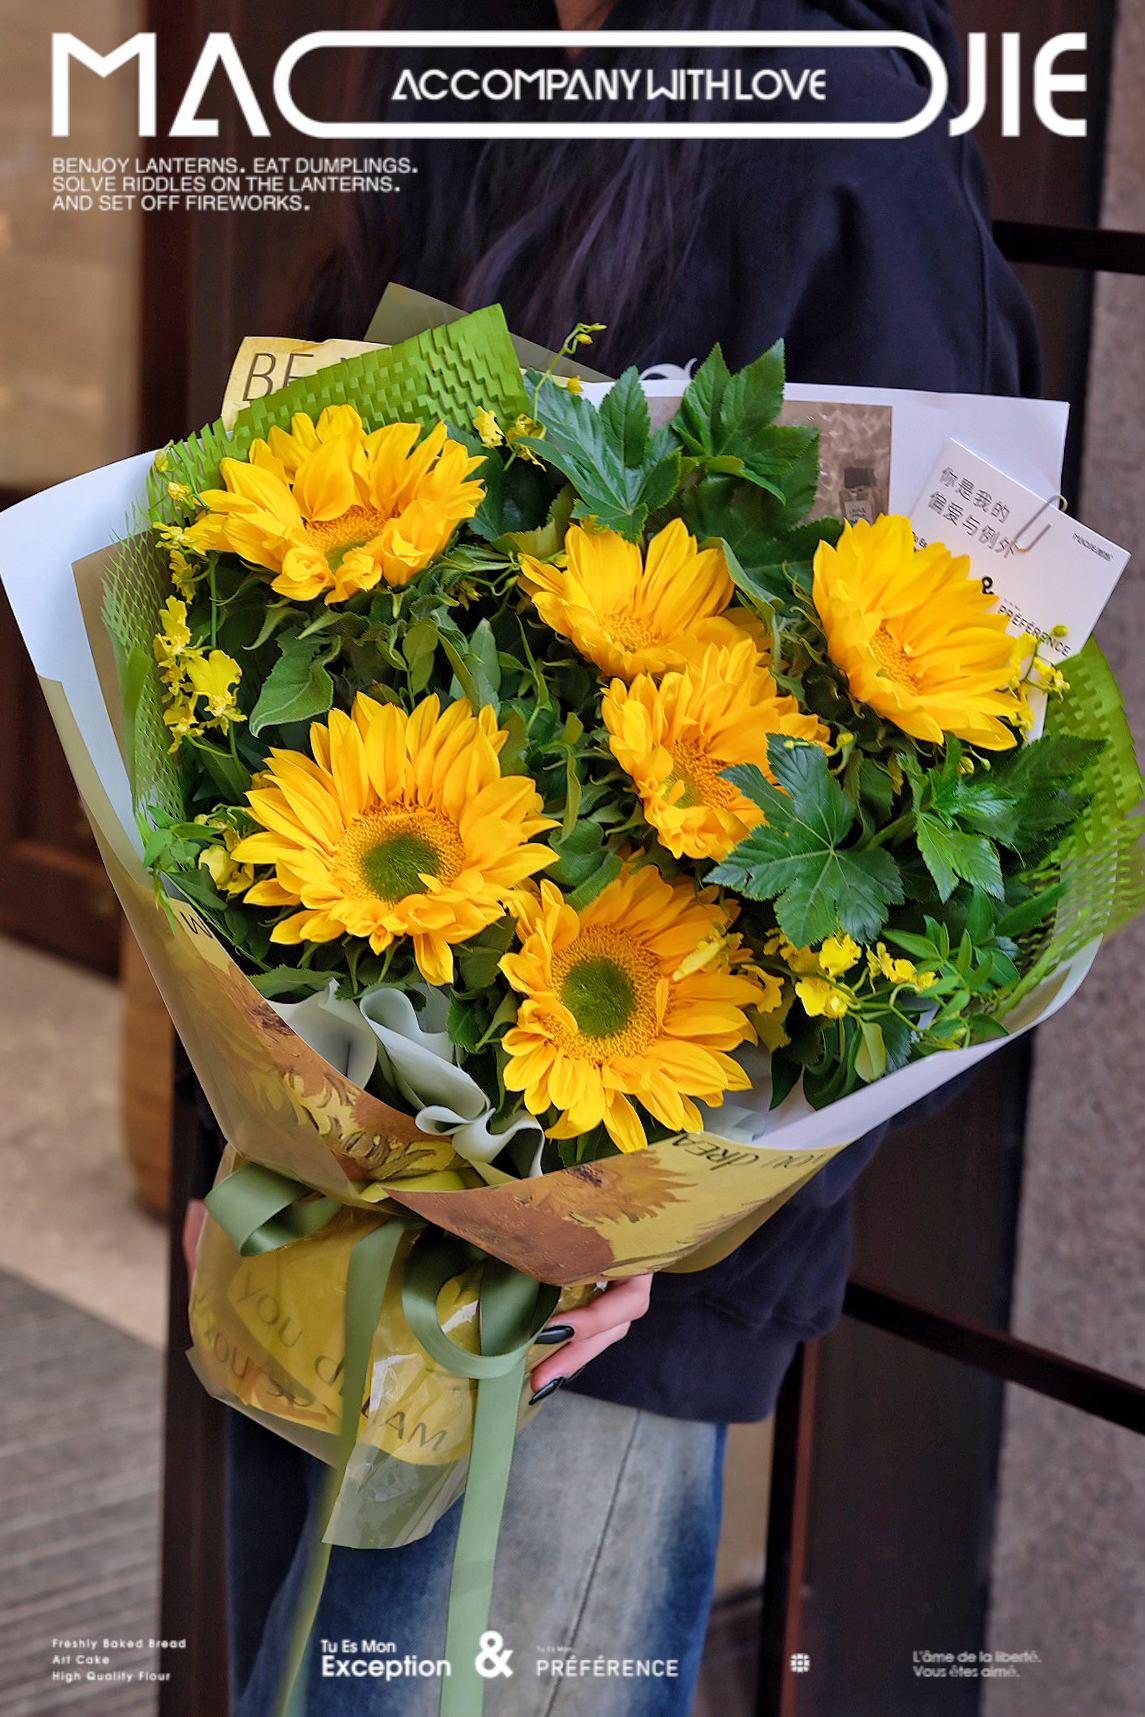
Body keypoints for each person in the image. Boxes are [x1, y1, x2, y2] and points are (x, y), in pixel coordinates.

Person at [184, 2, 1041, 1711]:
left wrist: (654, 1205)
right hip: (347, 1165)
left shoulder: (830, 119)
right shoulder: (454, 50)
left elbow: (955, 745)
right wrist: (264, 1078)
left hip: (601, 1267)